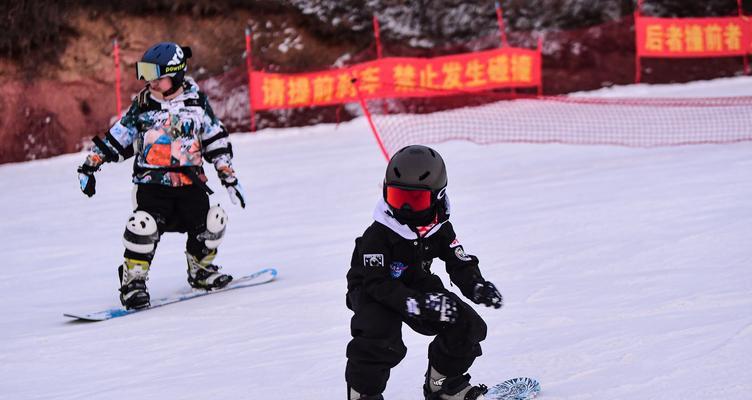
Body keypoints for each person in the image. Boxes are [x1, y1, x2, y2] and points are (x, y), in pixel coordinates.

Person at [76, 42, 246, 310]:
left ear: (176, 74)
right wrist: (90, 164)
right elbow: (119, 136)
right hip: (152, 186)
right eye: (146, 73)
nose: (151, 81)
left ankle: (200, 270)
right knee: (143, 226)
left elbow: (215, 138)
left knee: (213, 221)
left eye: (158, 76)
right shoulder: (143, 105)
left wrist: (228, 175)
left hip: (191, 184)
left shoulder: (196, 101)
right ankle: (133, 283)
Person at [345, 145, 504, 400]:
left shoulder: (438, 227)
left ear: (437, 197)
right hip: (371, 289)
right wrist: (418, 304)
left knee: (466, 324)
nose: (405, 209)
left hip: (416, 282)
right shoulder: (377, 235)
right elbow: (377, 284)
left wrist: (476, 285)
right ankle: (363, 394)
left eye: (415, 200)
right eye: (398, 198)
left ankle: (441, 386)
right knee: (380, 335)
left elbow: (458, 261)